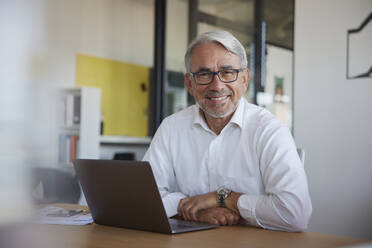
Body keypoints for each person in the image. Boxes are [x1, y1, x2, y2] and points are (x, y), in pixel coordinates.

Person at [143, 30, 312, 232]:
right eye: (204, 74)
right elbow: (145, 198)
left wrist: (224, 197)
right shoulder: (171, 128)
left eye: (227, 72)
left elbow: (295, 214)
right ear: (190, 83)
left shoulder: (269, 131)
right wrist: (195, 211)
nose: (217, 85)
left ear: (244, 79)